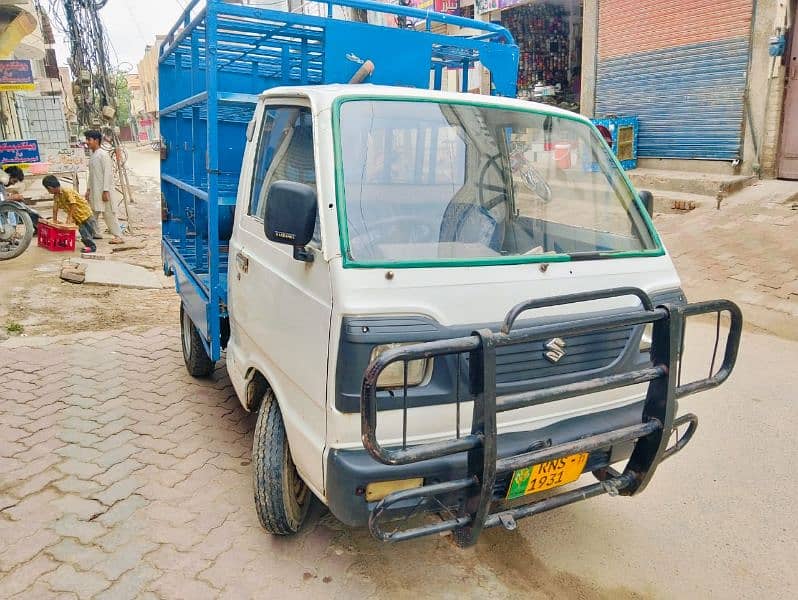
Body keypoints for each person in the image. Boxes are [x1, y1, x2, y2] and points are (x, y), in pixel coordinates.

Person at [84, 130, 123, 244]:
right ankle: (95, 233)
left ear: (96, 140)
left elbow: (108, 174)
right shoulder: (93, 156)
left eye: (89, 140)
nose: (87, 142)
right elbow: (91, 175)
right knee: (92, 213)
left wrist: (105, 190)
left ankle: (118, 236)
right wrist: (88, 190)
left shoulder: (103, 155)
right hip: (95, 190)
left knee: (109, 213)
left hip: (103, 191)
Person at [43, 175, 97, 253]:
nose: (48, 191)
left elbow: (73, 204)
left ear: (50, 188)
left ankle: (92, 246)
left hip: (84, 213)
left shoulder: (67, 191)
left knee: (88, 230)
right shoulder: (56, 196)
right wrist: (54, 220)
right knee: (83, 231)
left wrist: (69, 217)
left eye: (47, 189)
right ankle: (90, 245)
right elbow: (55, 207)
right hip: (77, 216)